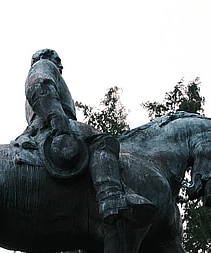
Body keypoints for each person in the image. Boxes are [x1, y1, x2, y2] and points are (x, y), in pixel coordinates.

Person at [18, 48, 156, 227]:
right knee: (102, 141)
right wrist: (56, 117)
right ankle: (112, 198)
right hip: (53, 125)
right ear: (44, 58)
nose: (60, 64)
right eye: (56, 59)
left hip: (43, 126)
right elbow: (39, 85)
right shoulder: (44, 66)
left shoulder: (45, 70)